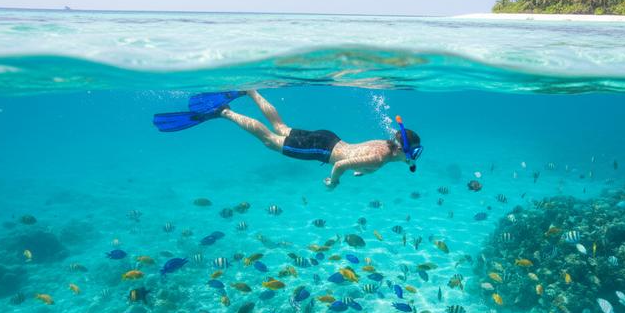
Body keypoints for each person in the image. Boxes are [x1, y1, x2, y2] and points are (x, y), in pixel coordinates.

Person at [153, 90, 423, 188]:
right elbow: (341, 166)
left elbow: (363, 160)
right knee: (270, 141)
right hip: (320, 151)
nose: (412, 159)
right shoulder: (378, 159)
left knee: (281, 126)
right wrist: (333, 182)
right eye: (413, 154)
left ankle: (252, 91)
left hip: (329, 138)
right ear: (404, 151)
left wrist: (362, 172)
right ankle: (225, 113)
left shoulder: (383, 146)